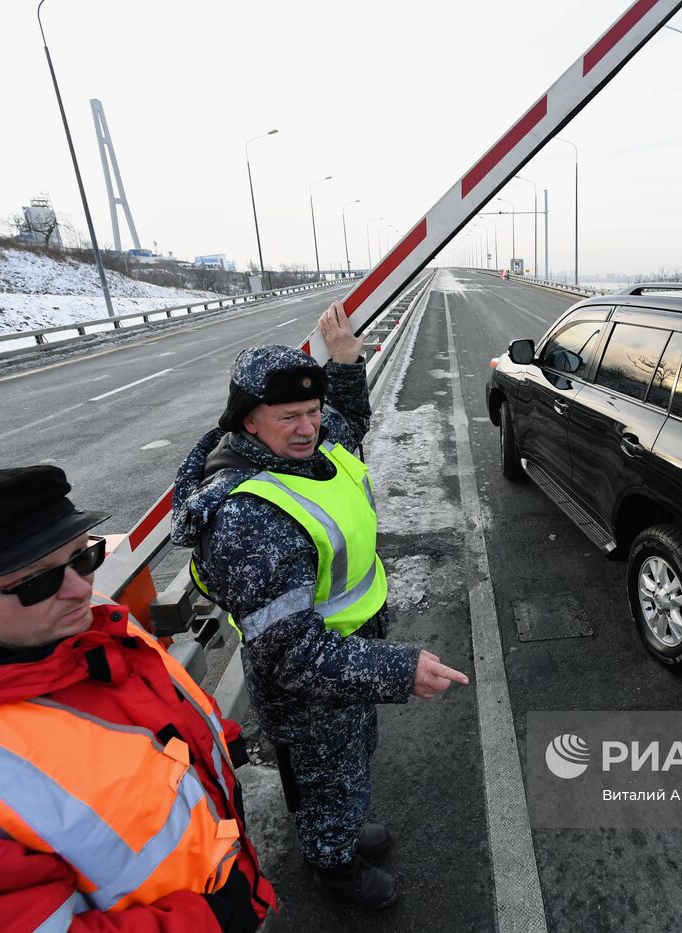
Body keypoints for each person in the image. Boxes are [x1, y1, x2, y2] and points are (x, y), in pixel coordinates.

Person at [0, 466, 275, 931]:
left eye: (83, 557)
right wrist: (215, 918)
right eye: (33, 582)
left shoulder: (68, 618)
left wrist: (219, 746)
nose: (81, 587)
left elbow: (148, 702)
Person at [171, 301, 468, 910]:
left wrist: (345, 367)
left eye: (310, 411)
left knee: (354, 759)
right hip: (310, 683)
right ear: (249, 422)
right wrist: (400, 669)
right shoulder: (249, 516)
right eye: (290, 417)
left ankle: (347, 829)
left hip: (351, 652)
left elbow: (346, 425)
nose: (308, 427)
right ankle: (332, 866)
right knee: (325, 780)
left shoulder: (308, 449)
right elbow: (292, 655)